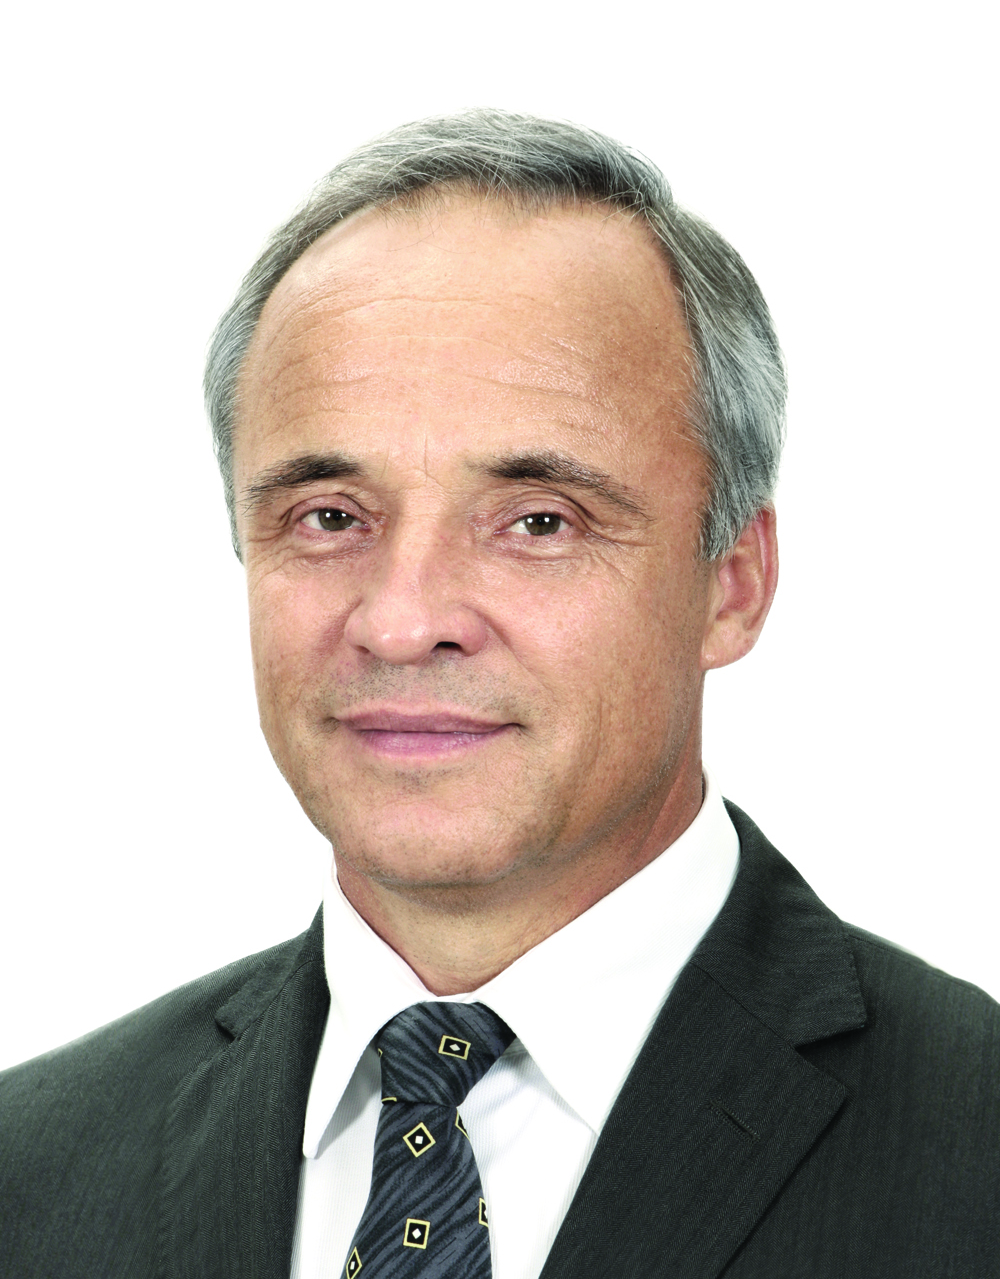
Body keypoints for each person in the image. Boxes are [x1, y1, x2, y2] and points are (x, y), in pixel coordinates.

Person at [1, 109, 997, 1279]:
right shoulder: (33, 1170)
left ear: (731, 583)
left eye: (538, 522)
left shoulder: (971, 1147)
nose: (401, 619)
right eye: (330, 516)